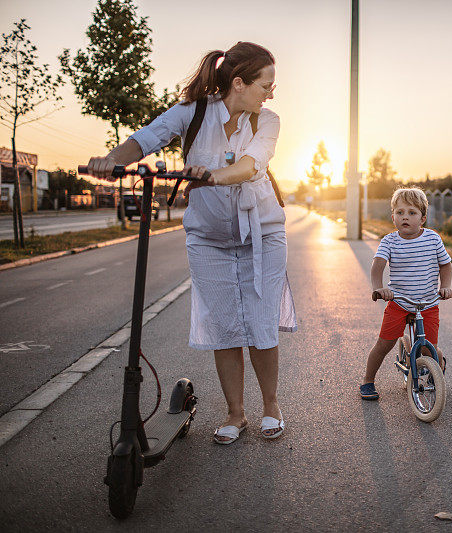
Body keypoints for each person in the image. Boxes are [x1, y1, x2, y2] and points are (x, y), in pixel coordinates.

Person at [84, 42, 297, 444]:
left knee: (261, 321)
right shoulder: (192, 113)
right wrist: (111, 160)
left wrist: (212, 176)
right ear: (239, 82)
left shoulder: (267, 121)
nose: (272, 92)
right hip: (208, 238)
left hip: (263, 234)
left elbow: (253, 164)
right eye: (267, 84)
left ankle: (271, 406)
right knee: (225, 326)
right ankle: (236, 413)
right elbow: (146, 138)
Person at [360, 187, 452, 400]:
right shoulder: (389, 241)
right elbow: (378, 266)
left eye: (412, 213)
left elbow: (445, 266)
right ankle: (367, 380)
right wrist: (379, 288)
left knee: (430, 350)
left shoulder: (432, 239)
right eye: (400, 212)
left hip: (428, 303)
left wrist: (446, 286)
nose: (405, 217)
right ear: (393, 217)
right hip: (399, 302)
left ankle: (437, 364)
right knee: (384, 344)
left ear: (422, 217)